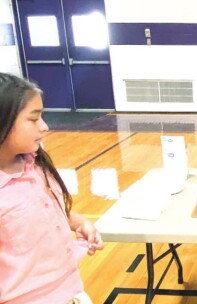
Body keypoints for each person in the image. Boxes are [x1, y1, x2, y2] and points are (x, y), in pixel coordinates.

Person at [0, 73, 104, 303]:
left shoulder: (35, 163)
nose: (44, 126)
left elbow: (44, 208)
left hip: (71, 291)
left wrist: (80, 223)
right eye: (33, 119)